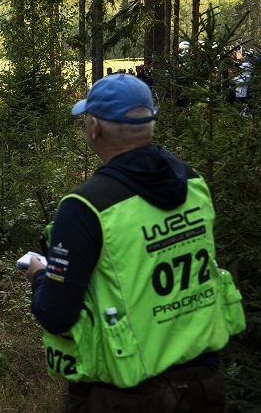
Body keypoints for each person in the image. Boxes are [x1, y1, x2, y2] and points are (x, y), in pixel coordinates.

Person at [25, 74, 245, 412]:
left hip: (125, 396)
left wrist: (40, 274)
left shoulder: (85, 208)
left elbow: (56, 314)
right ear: (150, 123)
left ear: (94, 127)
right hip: (202, 385)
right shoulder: (193, 182)